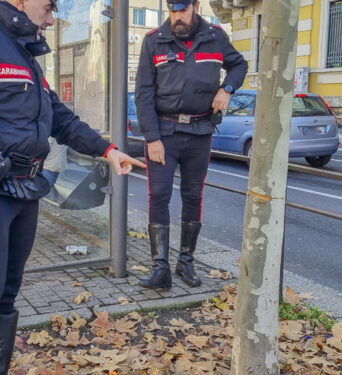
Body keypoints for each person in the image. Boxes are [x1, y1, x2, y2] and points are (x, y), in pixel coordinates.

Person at [0, 1, 145, 374]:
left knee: (8, 292)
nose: (51, 17)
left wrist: (106, 149)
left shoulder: (25, 53)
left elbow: (60, 118)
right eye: (47, 7)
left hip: (27, 189)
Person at [135, 0, 247, 290]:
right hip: (165, 132)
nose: (177, 17)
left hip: (200, 131)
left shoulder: (215, 37)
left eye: (182, 9)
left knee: (193, 195)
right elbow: (143, 93)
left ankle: (186, 261)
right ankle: (160, 268)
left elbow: (239, 64)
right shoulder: (153, 41)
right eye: (172, 10)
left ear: (195, 6)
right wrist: (152, 138)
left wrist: (227, 89)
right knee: (158, 195)